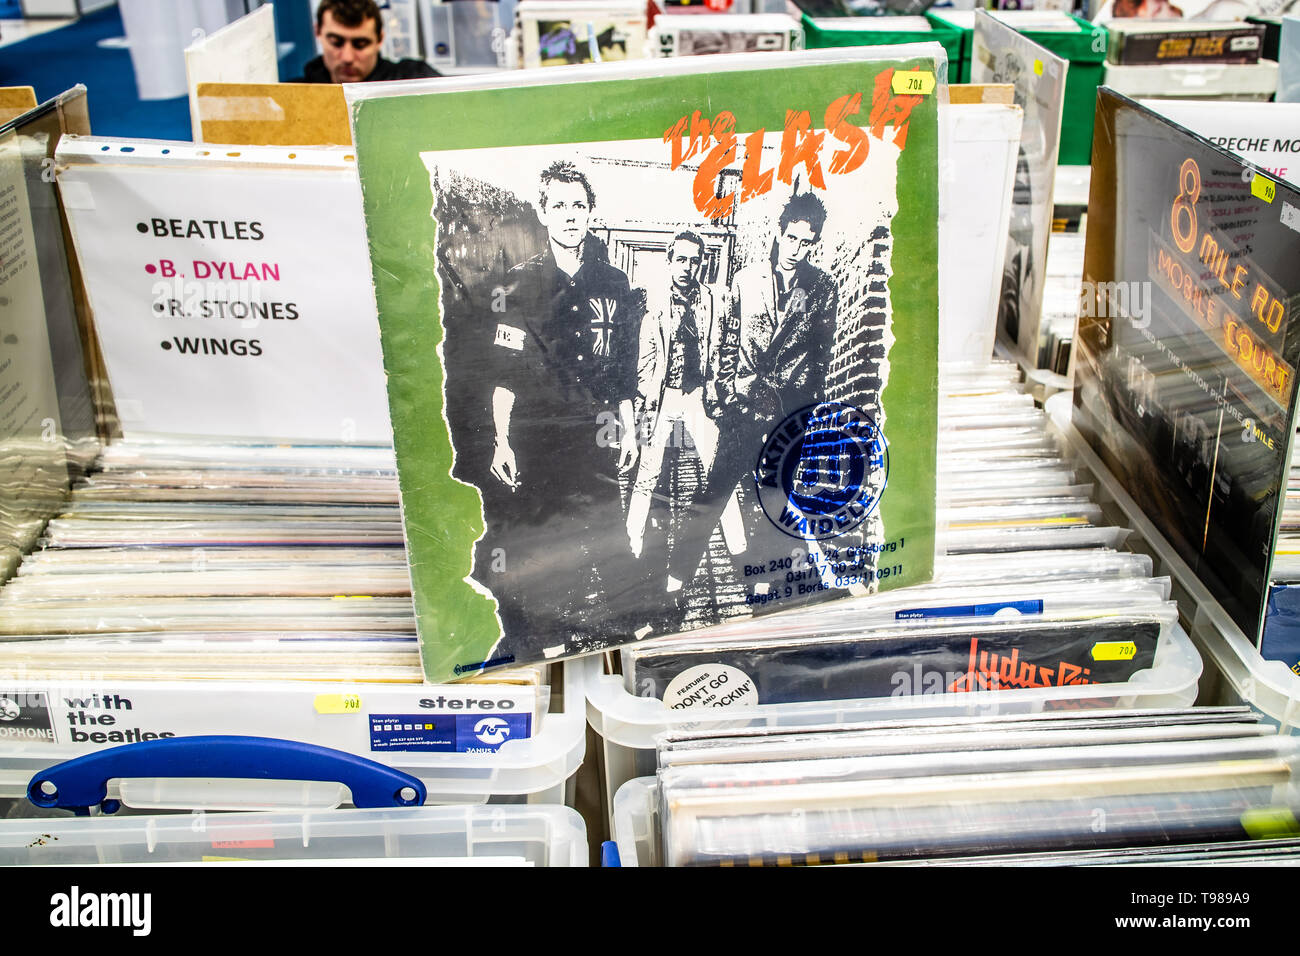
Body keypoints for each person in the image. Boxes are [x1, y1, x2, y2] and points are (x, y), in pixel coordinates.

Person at [482, 160, 641, 641]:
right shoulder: (517, 284)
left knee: (608, 532)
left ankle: (625, 630)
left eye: (579, 205)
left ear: (591, 211)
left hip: (596, 433)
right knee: (543, 539)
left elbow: (623, 374)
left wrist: (629, 429)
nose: (571, 215)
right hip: (536, 437)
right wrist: (501, 443)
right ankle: (547, 638)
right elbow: (503, 377)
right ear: (544, 213)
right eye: (560, 206)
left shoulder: (614, 282)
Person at [665, 191, 839, 599]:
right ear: (779, 234)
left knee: (777, 493)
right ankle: (676, 576)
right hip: (742, 408)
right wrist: (724, 398)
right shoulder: (745, 280)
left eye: (807, 242)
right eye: (792, 238)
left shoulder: (822, 288)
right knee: (714, 489)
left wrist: (805, 413)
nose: (797, 249)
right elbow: (725, 343)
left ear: (815, 243)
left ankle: (764, 576)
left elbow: (820, 356)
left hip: (789, 410)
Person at [626, 231, 744, 567]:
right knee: (647, 473)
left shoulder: (714, 301)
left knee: (718, 471)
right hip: (662, 396)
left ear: (702, 264)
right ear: (669, 261)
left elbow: (724, 349)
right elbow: (646, 358)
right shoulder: (654, 302)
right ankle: (631, 541)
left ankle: (738, 548)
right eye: (681, 259)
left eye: (695, 261)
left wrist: (719, 394)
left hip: (698, 395)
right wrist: (643, 406)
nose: (687, 267)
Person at [292, 0, 439, 84]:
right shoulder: (295, 95)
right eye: (336, 42)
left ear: (380, 39)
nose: (347, 58)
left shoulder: (414, 79)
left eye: (360, 44)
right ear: (318, 32)